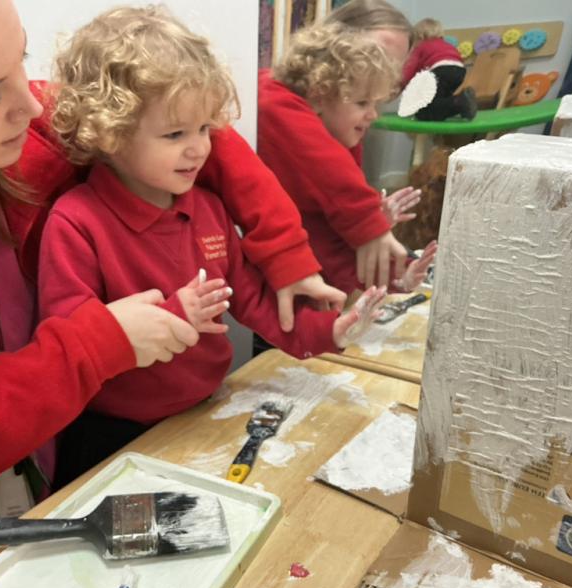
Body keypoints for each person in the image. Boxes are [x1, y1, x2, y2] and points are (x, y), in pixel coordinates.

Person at [0, 1, 345, 588]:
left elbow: (194, 126)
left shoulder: (28, 135)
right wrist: (99, 344)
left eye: (21, 60)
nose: (32, 103)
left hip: (55, 483)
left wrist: (288, 254)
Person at [40, 5, 387, 487]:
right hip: (111, 435)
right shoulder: (76, 222)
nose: (200, 148)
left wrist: (330, 330)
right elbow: (72, 343)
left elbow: (255, 302)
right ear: (110, 134)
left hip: (202, 412)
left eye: (206, 129)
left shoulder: (207, 208)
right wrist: (174, 315)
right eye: (175, 134)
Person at [258, 21, 437, 296]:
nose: (373, 115)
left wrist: (398, 276)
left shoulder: (337, 147)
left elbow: (335, 242)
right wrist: (368, 220)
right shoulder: (280, 112)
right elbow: (335, 210)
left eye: (376, 104)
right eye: (362, 103)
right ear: (318, 97)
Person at [400, 18, 477, 121]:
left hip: (441, 70)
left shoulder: (421, 46)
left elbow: (410, 69)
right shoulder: (447, 45)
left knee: (424, 111)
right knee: (440, 99)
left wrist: (401, 85)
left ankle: (459, 102)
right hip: (460, 71)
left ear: (419, 37)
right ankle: (460, 105)